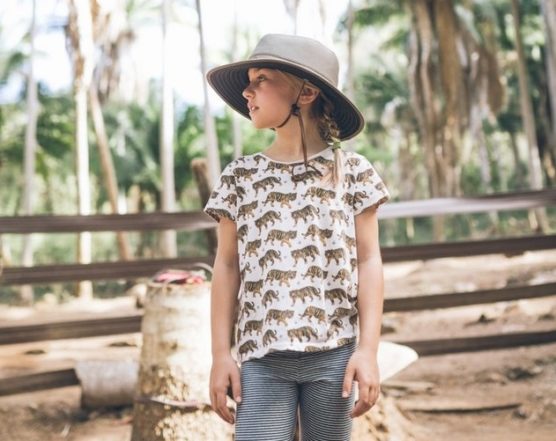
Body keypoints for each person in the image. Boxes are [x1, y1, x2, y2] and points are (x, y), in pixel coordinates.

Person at [203, 33, 390, 441]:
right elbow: (227, 265)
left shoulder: (353, 173)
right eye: (248, 81)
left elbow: (369, 261)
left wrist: (368, 351)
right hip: (261, 358)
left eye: (262, 79)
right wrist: (221, 355)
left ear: (305, 93)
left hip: (335, 355)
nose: (248, 92)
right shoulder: (240, 177)